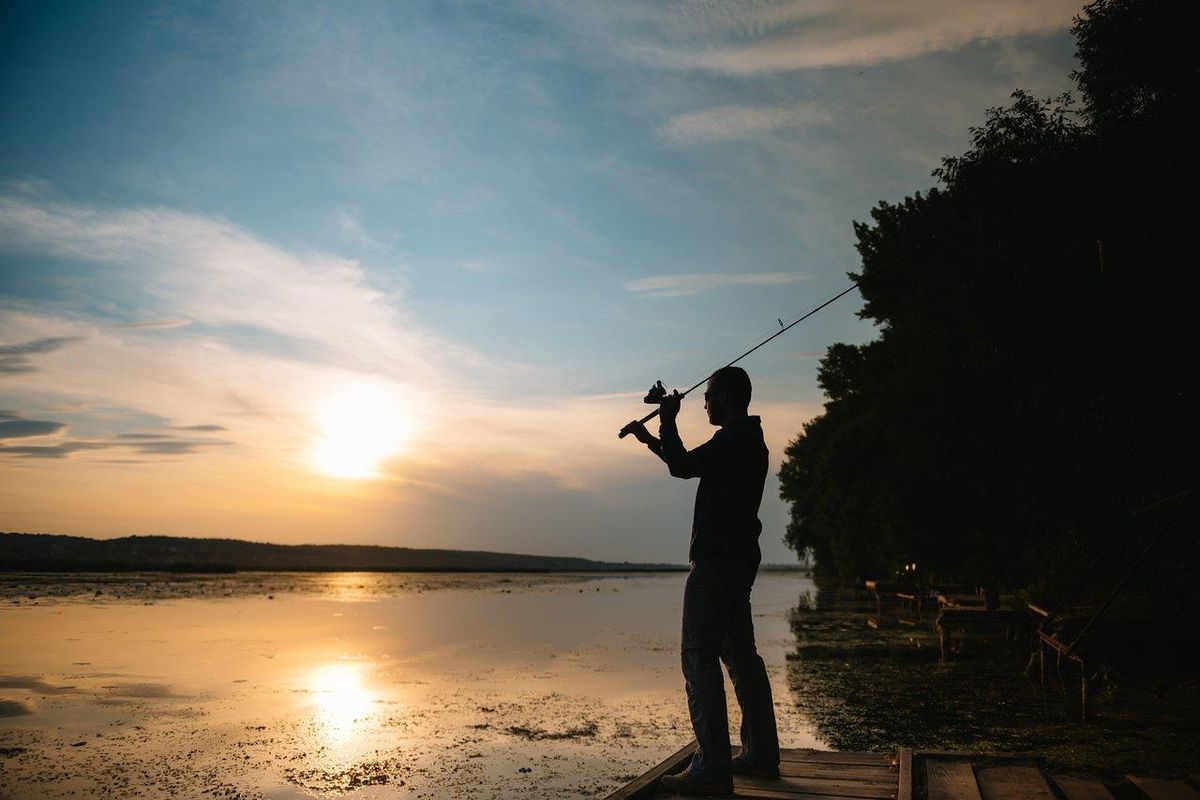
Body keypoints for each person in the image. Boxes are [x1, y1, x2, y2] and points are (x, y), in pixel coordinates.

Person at [623, 365, 780, 795]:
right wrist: (653, 439)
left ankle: (712, 768)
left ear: (727, 396)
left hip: (715, 566)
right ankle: (761, 755)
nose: (705, 403)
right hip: (737, 564)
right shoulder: (747, 440)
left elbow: (684, 468)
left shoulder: (732, 440)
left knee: (698, 658)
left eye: (708, 396)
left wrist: (669, 420)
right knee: (741, 658)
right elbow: (687, 463)